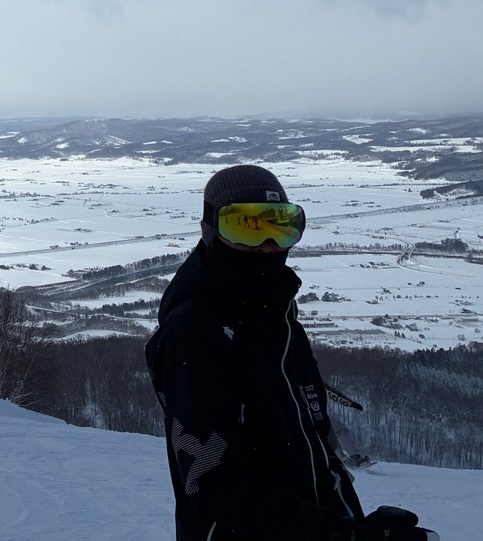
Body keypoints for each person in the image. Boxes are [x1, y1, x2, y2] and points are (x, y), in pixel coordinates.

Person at [146, 165, 434, 541]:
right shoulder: (196, 331)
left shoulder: (275, 315)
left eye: (282, 226)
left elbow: (308, 440)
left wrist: (348, 522)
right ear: (211, 230)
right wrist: (339, 535)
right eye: (245, 227)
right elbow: (213, 485)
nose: (267, 244)